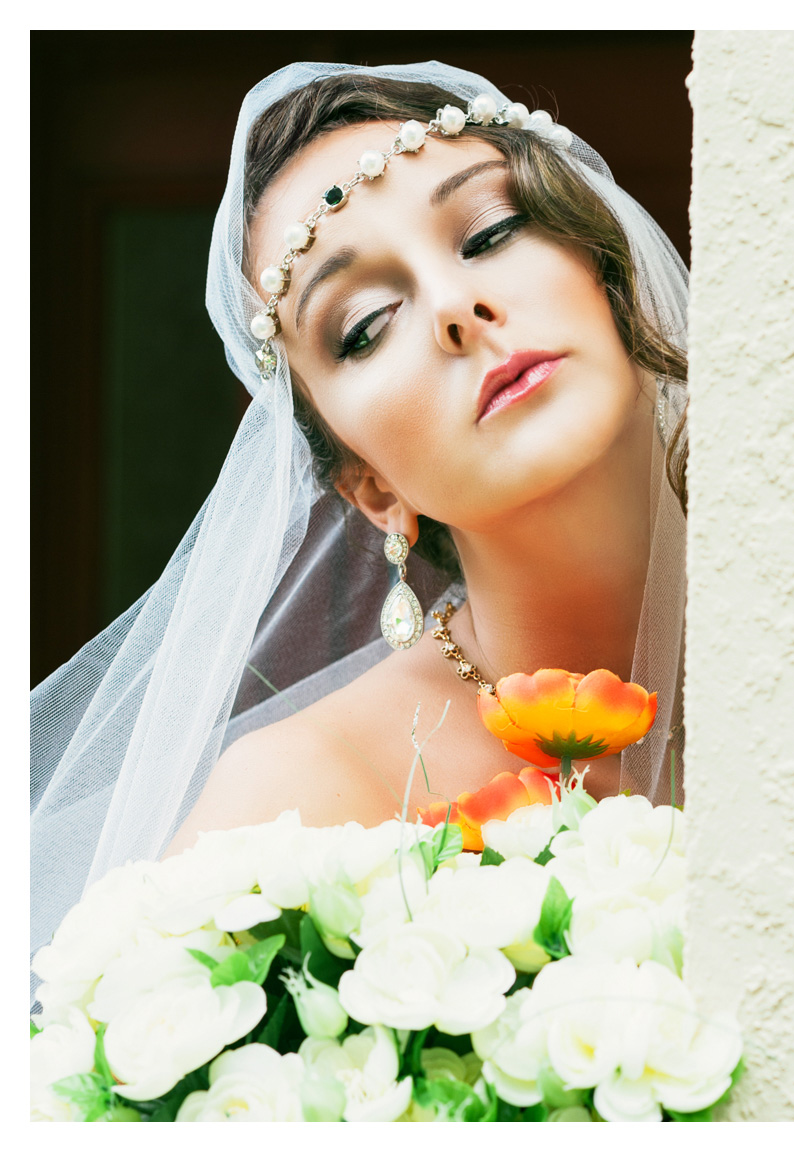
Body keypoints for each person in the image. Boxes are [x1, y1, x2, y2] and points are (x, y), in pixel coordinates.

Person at [30, 61, 689, 961]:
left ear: (605, 265)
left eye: (490, 231)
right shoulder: (298, 811)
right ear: (370, 486)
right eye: (367, 324)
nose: (458, 308)